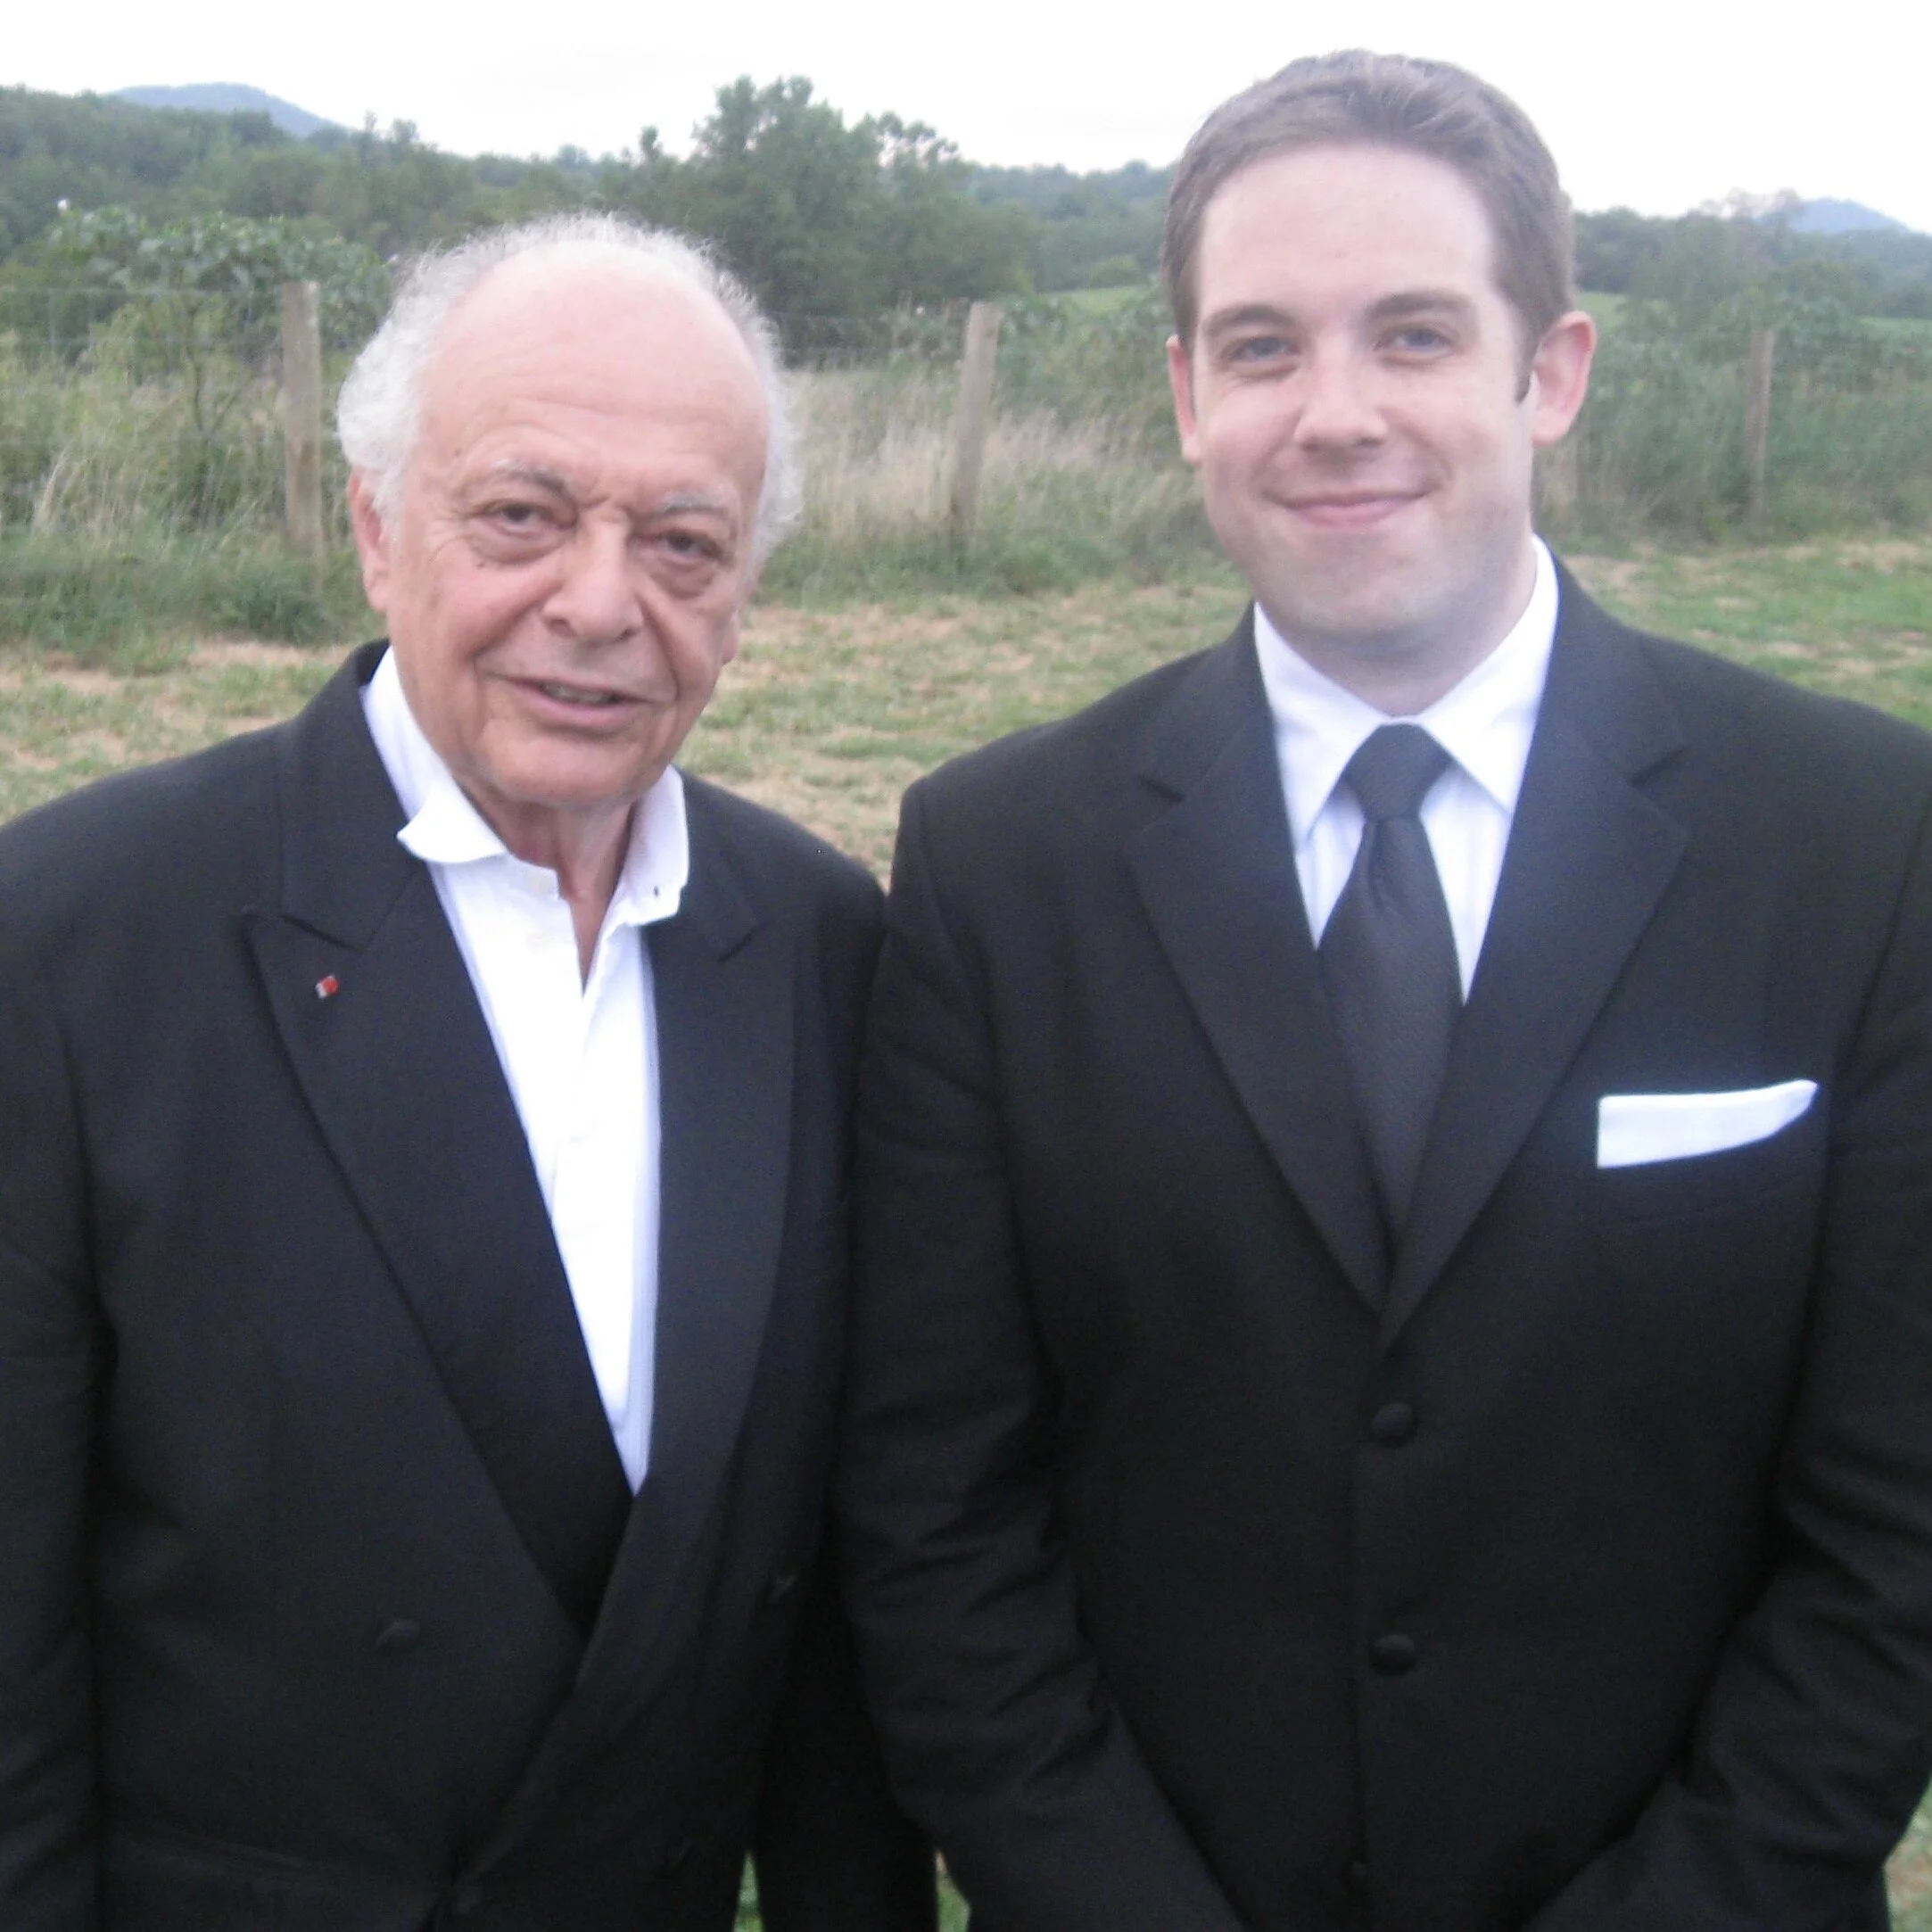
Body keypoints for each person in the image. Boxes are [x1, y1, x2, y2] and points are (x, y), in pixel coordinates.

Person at [840, 51, 1932, 1932]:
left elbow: (1898, 1533)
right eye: (1261, 347)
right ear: (1186, 396)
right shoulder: (1000, 862)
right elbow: (938, 1510)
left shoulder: (1858, 840)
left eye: (1414, 334)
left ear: (1553, 371)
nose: (1334, 413)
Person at [0, 214, 933, 1931]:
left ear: (745, 589)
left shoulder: (817, 942)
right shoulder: (70, 937)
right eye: (519, 514)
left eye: (681, 540)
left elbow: (820, 1596)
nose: (599, 601)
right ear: (372, 525)